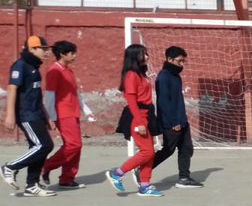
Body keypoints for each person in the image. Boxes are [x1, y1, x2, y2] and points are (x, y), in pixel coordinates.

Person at [2, 36, 56, 197]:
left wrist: (47, 117)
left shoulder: (34, 67)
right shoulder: (20, 65)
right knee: (44, 145)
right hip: (26, 114)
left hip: (36, 113)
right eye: (43, 49)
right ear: (32, 49)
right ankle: (10, 167)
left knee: (38, 148)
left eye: (47, 49)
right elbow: (12, 89)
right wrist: (10, 115)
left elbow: (37, 95)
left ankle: (31, 185)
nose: (46, 52)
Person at [107, 44, 161, 196]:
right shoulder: (131, 75)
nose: (147, 56)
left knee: (150, 152)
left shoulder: (141, 74)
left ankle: (145, 185)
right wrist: (140, 122)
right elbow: (131, 101)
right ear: (134, 56)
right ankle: (117, 174)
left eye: (147, 53)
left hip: (147, 114)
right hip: (137, 116)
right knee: (147, 151)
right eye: (144, 54)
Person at [40, 40, 95, 190]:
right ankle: (45, 166)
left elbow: (76, 93)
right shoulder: (54, 71)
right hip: (62, 114)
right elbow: (49, 97)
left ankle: (67, 179)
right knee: (74, 144)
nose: (75, 55)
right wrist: (50, 117)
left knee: (76, 146)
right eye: (72, 53)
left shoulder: (69, 71)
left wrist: (87, 110)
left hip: (73, 112)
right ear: (63, 54)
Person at [151, 46, 203, 188]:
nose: (182, 65)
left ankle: (184, 178)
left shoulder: (176, 76)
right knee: (168, 150)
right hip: (171, 122)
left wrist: (182, 119)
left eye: (183, 62)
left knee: (187, 148)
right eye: (179, 61)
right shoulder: (163, 77)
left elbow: (177, 100)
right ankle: (143, 170)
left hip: (182, 120)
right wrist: (174, 121)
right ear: (169, 59)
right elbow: (163, 102)